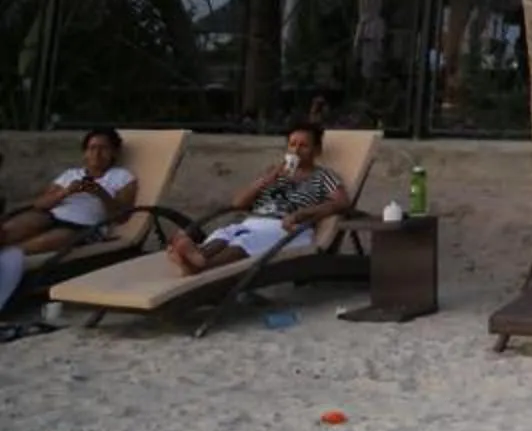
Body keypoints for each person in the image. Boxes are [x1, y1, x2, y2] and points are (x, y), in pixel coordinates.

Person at [165, 124, 351, 275]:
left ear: (316, 150)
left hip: (289, 228)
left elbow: (341, 202)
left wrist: (303, 213)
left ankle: (200, 266)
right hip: (254, 221)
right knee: (226, 233)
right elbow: (238, 203)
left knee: (247, 240)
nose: (296, 150)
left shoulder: (323, 175)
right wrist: (265, 181)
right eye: (293, 144)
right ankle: (194, 257)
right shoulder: (273, 172)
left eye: (304, 145)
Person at [0, 128, 139, 302]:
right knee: (7, 231)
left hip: (84, 228)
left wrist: (100, 192)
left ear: (114, 153)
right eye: (92, 148)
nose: (97, 153)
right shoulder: (70, 174)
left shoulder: (123, 177)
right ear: (85, 153)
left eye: (104, 148)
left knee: (28, 247)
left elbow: (122, 216)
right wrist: (65, 192)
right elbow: (40, 204)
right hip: (51, 215)